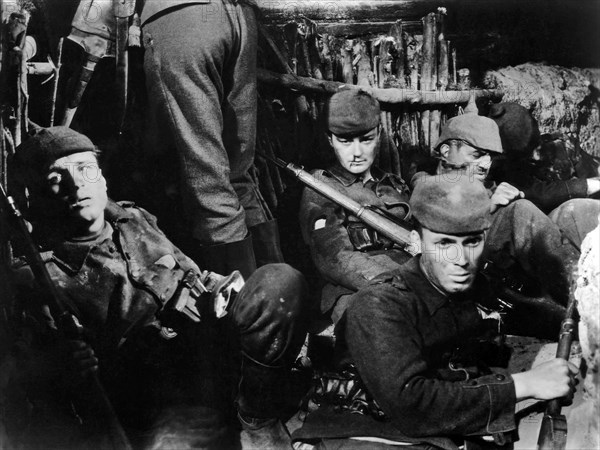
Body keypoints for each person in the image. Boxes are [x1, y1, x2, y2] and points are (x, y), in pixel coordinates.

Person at [4, 127, 307, 449]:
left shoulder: (134, 219)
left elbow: (191, 274)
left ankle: (255, 418)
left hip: (209, 347)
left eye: (85, 169)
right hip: (157, 393)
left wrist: (220, 288)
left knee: (279, 282)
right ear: (37, 196)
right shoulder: (41, 278)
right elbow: (46, 382)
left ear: (102, 178)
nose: (76, 184)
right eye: (55, 179)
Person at [339, 174, 577, 449]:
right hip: (377, 431)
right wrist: (526, 385)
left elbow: (532, 316)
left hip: (452, 418)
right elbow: (411, 405)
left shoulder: (473, 287)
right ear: (417, 241)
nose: (461, 260)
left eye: (472, 242)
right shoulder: (380, 305)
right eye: (444, 244)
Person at [140, 0, 282, 278]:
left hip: (180, 17)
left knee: (207, 178)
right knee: (237, 171)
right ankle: (278, 295)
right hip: (238, 16)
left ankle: (243, 309)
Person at [420, 113, 582, 324]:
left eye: (489, 156)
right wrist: (488, 207)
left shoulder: (478, 180)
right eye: (476, 154)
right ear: (446, 150)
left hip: (499, 269)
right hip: (458, 260)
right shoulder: (425, 184)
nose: (485, 165)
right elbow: (438, 223)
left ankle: (585, 292)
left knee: (574, 212)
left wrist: (507, 196)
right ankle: (587, 295)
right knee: (519, 212)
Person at [299, 90, 411, 325]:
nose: (357, 152)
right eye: (345, 141)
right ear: (330, 139)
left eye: (366, 139)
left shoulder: (394, 184)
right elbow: (333, 255)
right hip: (358, 291)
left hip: (413, 279)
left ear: (379, 134)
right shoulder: (322, 186)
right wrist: (395, 283)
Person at [487, 102, 600, 213]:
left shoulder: (563, 144)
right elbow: (541, 195)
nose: (536, 158)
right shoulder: (503, 168)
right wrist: (586, 185)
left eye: (538, 146)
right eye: (526, 155)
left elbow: (593, 173)